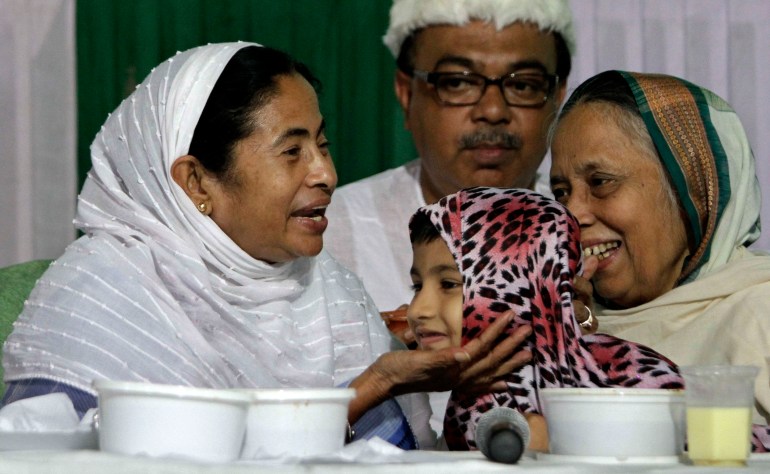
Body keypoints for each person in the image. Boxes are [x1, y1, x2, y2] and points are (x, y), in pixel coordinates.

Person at [1, 42, 532, 450]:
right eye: (291, 151)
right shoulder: (101, 295)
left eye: (322, 144)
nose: (326, 173)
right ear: (196, 182)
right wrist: (374, 385)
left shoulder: (332, 292)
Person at [549, 70, 770, 451]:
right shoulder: (563, 320)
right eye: (561, 192)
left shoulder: (757, 316)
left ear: (691, 190)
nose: (572, 214)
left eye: (601, 181)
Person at [324, 0, 576, 314]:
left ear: (559, 97)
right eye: (458, 83)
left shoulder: (587, 231)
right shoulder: (328, 237)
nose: (493, 111)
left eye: (523, 85)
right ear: (406, 94)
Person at [406, 186, 683, 451]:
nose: (419, 310)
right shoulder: (469, 402)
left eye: (449, 284)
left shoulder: (633, 382)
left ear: (516, 287)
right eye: (417, 287)